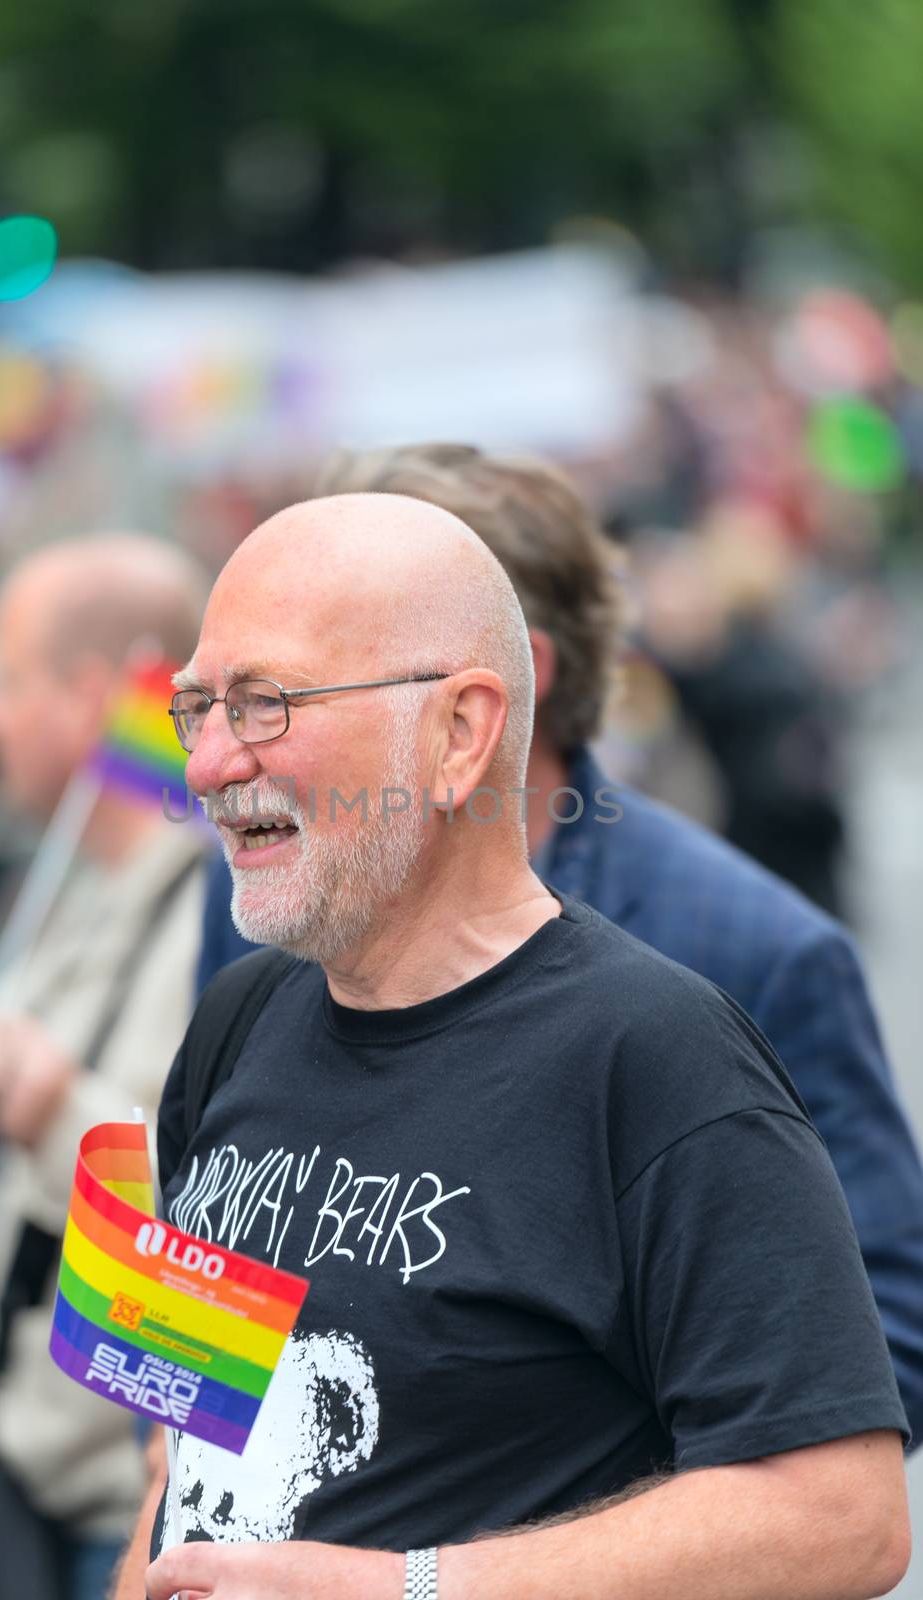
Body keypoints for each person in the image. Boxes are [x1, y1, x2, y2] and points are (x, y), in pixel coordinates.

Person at [125, 491, 908, 1600]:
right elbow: (186, 1431)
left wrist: (409, 1589)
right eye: (194, 708)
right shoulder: (238, 1020)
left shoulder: (655, 1056)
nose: (205, 765)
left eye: (264, 705)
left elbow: (843, 1515)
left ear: (459, 730)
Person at [0, 535, 209, 1600]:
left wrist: (47, 1101)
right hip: (23, 1479)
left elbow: (206, 1204)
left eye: (8, 681)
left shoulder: (211, 914)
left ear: (99, 692)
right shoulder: (85, 874)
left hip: (112, 1516)